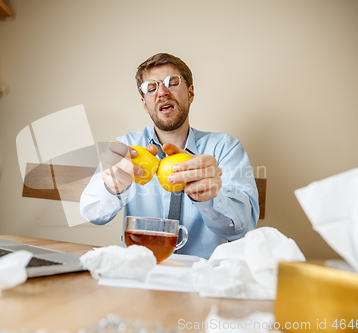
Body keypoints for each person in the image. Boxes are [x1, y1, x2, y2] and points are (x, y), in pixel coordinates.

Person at [80, 53, 259, 259]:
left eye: (172, 83)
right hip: (140, 270)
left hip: (202, 276)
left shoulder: (225, 148)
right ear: (144, 103)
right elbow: (92, 213)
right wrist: (111, 188)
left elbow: (243, 228)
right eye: (151, 87)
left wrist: (211, 198)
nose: (162, 92)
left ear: (190, 93)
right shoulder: (126, 149)